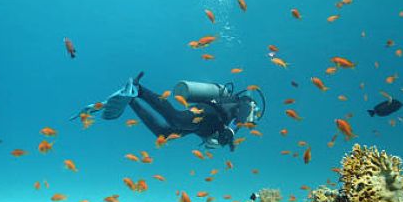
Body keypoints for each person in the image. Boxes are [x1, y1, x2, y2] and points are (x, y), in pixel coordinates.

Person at [74, 72, 265, 150]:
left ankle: (132, 99)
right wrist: (231, 131)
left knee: (163, 134)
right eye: (256, 115)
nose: (253, 118)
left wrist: (225, 138)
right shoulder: (247, 103)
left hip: (204, 125)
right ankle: (139, 89)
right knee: (176, 118)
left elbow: (228, 128)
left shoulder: (237, 122)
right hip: (209, 112)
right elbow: (243, 112)